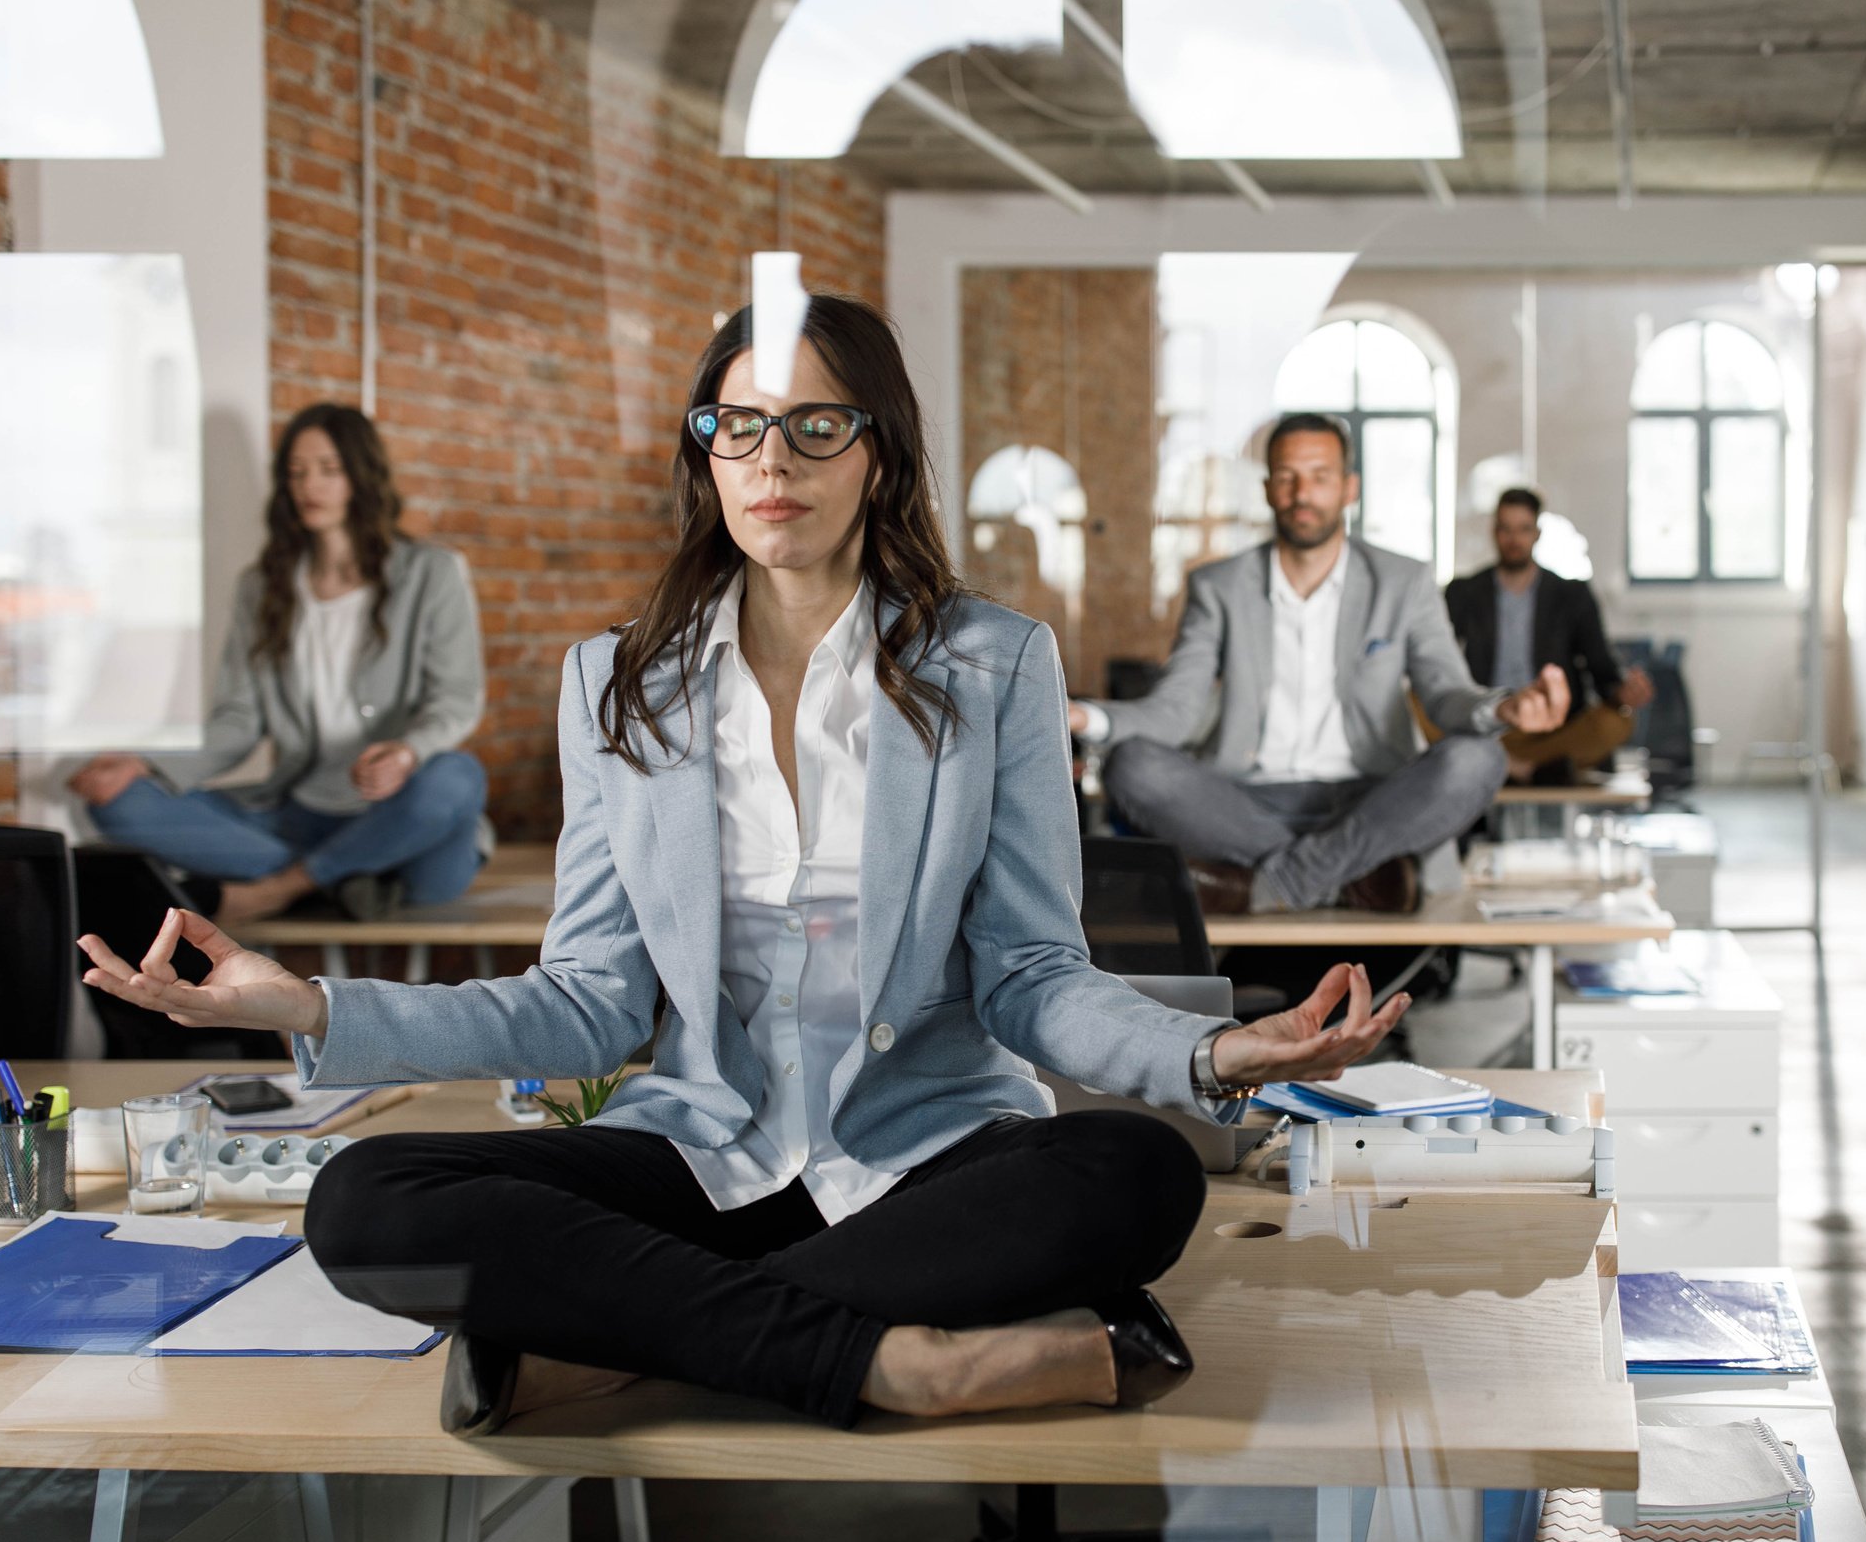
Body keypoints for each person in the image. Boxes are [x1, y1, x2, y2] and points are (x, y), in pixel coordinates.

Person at [80, 296, 1406, 1438]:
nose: (777, 459)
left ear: (881, 455)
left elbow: (1032, 978)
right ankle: (907, 1362)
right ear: (705, 455)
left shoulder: (993, 661)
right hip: (705, 1156)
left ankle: (615, 1346)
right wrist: (307, 1009)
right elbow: (590, 1003)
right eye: (741, 427)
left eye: (819, 426)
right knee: (369, 1197)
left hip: (923, 1160)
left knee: (1137, 1173)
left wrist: (1210, 1059)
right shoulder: (618, 684)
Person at [1068, 415, 1569, 915]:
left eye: (1320, 476)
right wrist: (1085, 717)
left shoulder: (1404, 582)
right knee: (1133, 765)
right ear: (1268, 489)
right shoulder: (1218, 587)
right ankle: (1357, 877)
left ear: (1348, 488)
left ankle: (1268, 886)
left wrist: (1502, 710)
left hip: (1374, 802)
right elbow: (1174, 711)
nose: (1302, 492)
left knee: (1478, 759)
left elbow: (1444, 693)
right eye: (1287, 477)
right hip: (1244, 805)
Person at [68, 405, 489, 926]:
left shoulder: (433, 573)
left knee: (457, 776)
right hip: (298, 817)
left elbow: (456, 699)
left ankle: (283, 887)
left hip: (402, 815)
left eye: (329, 469)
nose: (310, 484)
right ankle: (348, 877)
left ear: (362, 475)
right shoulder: (262, 587)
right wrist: (149, 764)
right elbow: (239, 721)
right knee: (118, 802)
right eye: (297, 472)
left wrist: (406, 753)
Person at [1443, 488, 1651, 783]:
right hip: (1487, 724)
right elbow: (1439, 662)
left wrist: (1622, 692)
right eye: (1506, 529)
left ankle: (1511, 765)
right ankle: (1521, 767)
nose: (1514, 539)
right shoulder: (1465, 592)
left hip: (1552, 730)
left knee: (1615, 723)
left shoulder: (1572, 595)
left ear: (1537, 533)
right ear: (1495, 532)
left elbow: (1600, 665)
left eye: (1523, 529)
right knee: (1414, 706)